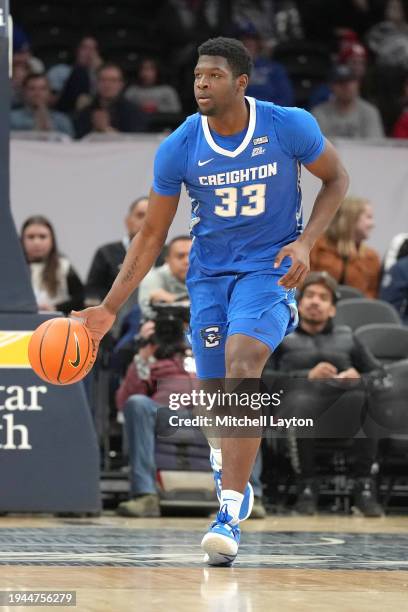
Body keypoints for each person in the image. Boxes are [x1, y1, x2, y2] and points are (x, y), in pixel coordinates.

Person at [72, 37, 349, 566]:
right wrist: (109, 307)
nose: (202, 83)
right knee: (217, 397)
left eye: (214, 75)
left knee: (245, 365)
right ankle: (231, 467)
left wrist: (306, 242)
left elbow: (336, 179)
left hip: (267, 269)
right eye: (198, 75)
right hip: (208, 275)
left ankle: (227, 512)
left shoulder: (286, 124)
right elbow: (151, 235)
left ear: (241, 82)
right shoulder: (179, 146)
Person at [271, 271, 384, 517]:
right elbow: (263, 378)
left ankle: (363, 487)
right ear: (298, 304)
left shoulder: (348, 337)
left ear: (332, 309)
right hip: (296, 408)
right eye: (309, 295)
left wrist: (358, 376)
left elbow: (380, 375)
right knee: (301, 402)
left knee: (365, 399)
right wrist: (305, 376)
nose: (315, 301)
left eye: (323, 297)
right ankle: (307, 488)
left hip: (340, 412)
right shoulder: (282, 336)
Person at [85, 197, 149, 337]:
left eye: (151, 216)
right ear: (128, 221)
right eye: (140, 215)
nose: (145, 221)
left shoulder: (167, 254)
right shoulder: (106, 252)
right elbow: (93, 293)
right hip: (114, 328)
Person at [310, 196, 381, 298]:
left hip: (355, 312)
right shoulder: (315, 246)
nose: (372, 224)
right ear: (351, 218)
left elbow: (371, 299)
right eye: (368, 217)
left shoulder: (371, 258)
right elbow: (299, 284)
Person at [21, 215, 84, 314]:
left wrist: (56, 308)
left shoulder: (63, 266)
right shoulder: (14, 269)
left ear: (52, 240)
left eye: (42, 237)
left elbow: (81, 298)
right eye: (31, 237)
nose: (36, 242)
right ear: (22, 240)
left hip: (56, 324)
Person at [74, 63, 147, 139]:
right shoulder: (86, 112)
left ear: (121, 84)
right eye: (103, 80)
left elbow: (136, 142)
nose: (107, 85)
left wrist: (106, 130)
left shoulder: (133, 112)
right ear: (96, 83)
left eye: (113, 80)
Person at [312, 64, 384, 139]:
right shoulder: (319, 112)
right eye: (340, 82)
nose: (346, 87)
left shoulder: (369, 112)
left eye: (350, 81)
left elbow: (375, 146)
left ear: (358, 84)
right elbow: (317, 146)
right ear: (331, 86)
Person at [138, 236, 191, 319]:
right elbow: (149, 312)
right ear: (167, 260)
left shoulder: (212, 276)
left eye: (192, 255)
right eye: (180, 256)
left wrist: (172, 300)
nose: (187, 261)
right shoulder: (153, 276)